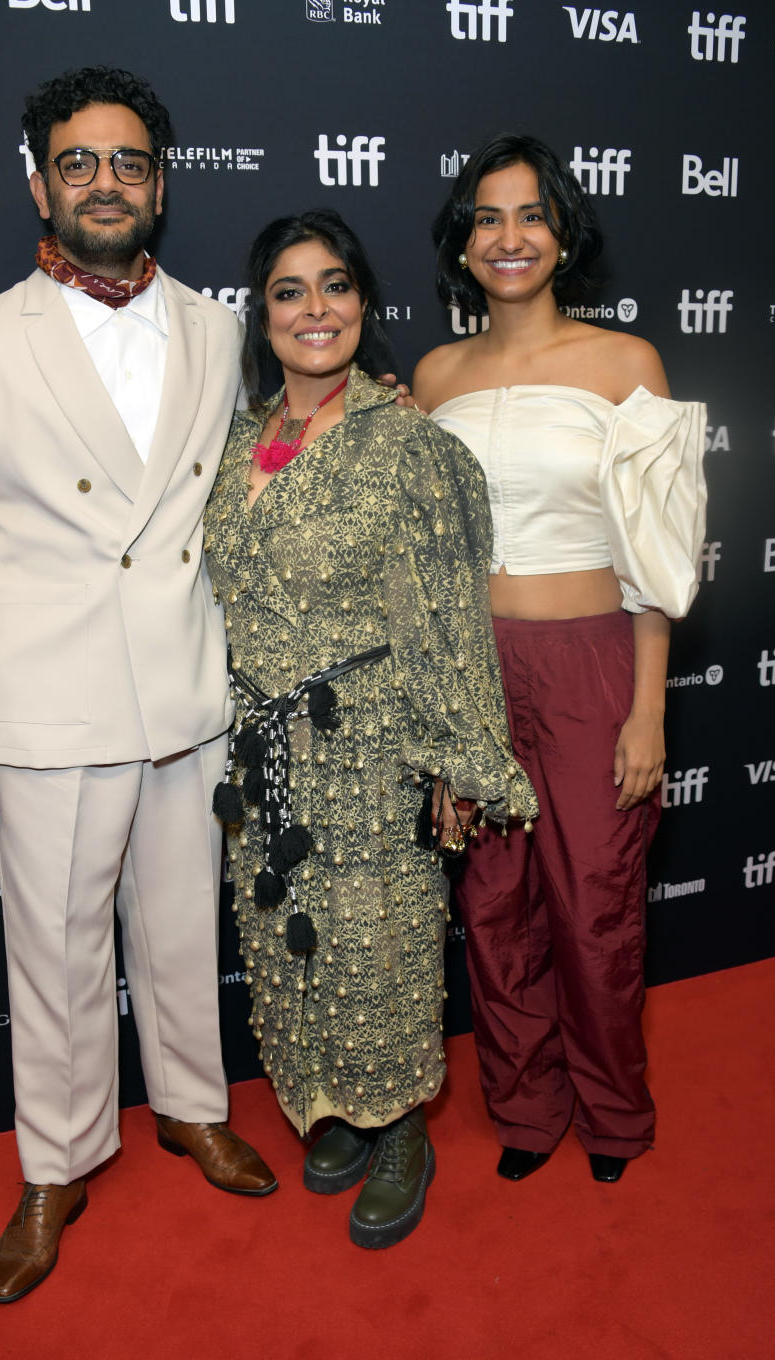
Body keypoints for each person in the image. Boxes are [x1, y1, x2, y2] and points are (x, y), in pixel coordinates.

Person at [0, 66, 277, 1305]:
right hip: (48, 706)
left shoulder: (222, 331)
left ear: (161, 187)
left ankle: (190, 1106)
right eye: (80, 162)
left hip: (184, 691)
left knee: (181, 930)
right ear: (39, 181)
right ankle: (57, 1163)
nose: (105, 182)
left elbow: (251, 491)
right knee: (55, 954)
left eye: (128, 163)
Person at [202, 209, 537, 1248]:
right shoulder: (232, 443)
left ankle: (402, 1133)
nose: (315, 308)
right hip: (260, 756)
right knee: (288, 937)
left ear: (363, 304)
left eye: (335, 285)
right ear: (262, 317)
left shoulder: (408, 450)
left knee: (381, 939)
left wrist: (455, 757)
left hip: (369, 745)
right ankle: (337, 1106)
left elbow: (445, 621)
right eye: (290, 290)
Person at [414, 134, 706, 1185]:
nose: (509, 237)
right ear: (461, 243)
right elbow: (429, 565)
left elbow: (658, 551)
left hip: (592, 665)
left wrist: (648, 709)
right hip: (474, 669)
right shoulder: (435, 376)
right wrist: (445, 717)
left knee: (593, 901)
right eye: (487, 217)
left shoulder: (627, 365)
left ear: (564, 234)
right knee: (493, 904)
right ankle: (526, 1107)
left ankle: (615, 1114)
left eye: (531, 214)